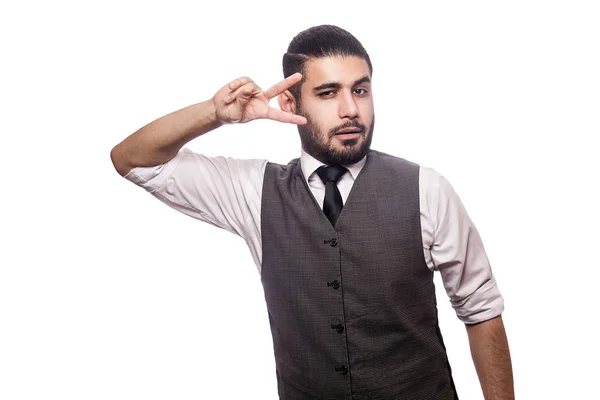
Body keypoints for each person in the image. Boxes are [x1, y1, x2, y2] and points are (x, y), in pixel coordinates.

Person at [110, 24, 514, 400]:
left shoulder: (427, 190)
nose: (350, 109)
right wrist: (215, 114)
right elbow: (133, 160)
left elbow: (482, 312)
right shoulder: (254, 192)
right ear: (289, 101)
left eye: (360, 90)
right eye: (327, 93)